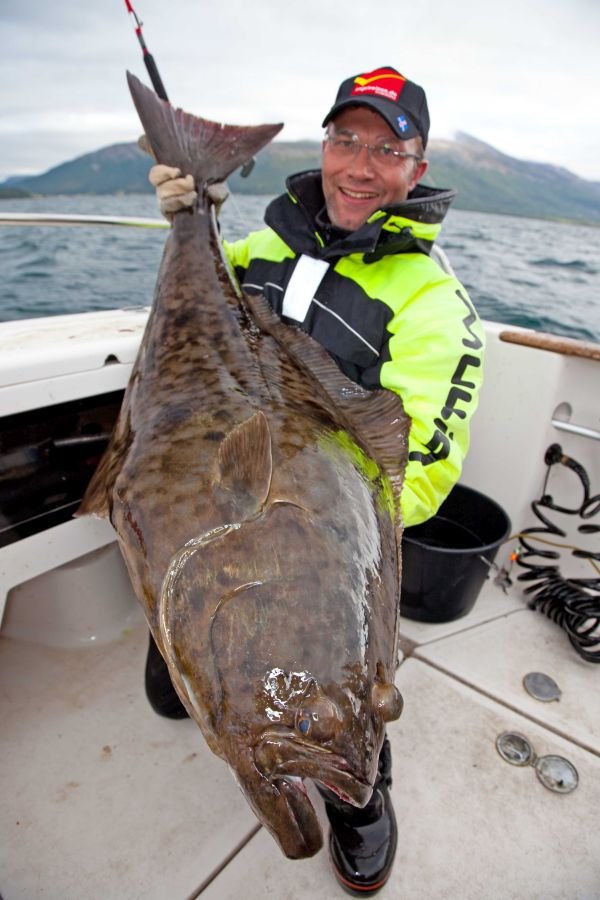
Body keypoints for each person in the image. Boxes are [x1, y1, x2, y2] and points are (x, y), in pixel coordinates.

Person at [145, 65, 485, 896]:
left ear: (418, 168)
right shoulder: (263, 245)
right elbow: (203, 304)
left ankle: (360, 801)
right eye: (345, 141)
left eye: (387, 150)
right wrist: (194, 212)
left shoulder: (433, 305)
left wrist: (318, 538)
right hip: (220, 499)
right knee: (184, 675)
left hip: (321, 543)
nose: (360, 167)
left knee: (339, 693)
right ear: (325, 146)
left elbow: (422, 469)